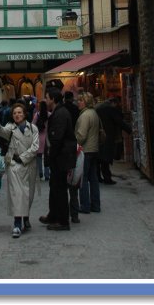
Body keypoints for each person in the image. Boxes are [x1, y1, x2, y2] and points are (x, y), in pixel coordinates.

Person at [0, 101, 39, 238]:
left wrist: (23, 157)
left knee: (28, 195)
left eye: (19, 112)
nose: (17, 115)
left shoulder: (33, 128)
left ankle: (26, 217)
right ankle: (17, 224)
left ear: (25, 114)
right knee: (17, 195)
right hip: (14, 165)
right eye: (14, 113)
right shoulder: (10, 128)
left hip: (29, 165)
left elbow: (35, 147)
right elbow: (2, 131)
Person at [38, 87, 77, 231]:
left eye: (47, 97)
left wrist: (51, 155)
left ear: (53, 99)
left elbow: (57, 138)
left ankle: (62, 221)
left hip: (61, 158)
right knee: (54, 187)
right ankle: (53, 215)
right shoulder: (58, 111)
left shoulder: (61, 113)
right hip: (58, 157)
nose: (45, 100)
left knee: (59, 189)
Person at [96, 96, 132, 184]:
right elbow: (119, 121)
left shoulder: (98, 108)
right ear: (114, 103)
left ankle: (98, 177)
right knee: (106, 159)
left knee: (98, 158)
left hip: (98, 136)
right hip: (107, 136)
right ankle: (107, 178)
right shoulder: (110, 109)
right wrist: (130, 130)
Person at [75, 92, 101, 214]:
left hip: (86, 150)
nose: (78, 103)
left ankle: (85, 205)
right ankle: (96, 204)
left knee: (83, 178)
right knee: (93, 178)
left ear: (86, 102)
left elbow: (81, 135)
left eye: (80, 100)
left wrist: (74, 140)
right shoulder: (94, 113)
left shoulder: (85, 115)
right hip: (94, 149)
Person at [62, 90, 80, 222]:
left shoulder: (62, 111)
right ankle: (74, 215)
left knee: (64, 186)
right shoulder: (76, 109)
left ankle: (65, 214)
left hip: (65, 150)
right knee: (74, 186)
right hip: (75, 147)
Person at [32, 100, 50, 181]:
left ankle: (40, 172)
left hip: (39, 137)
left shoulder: (37, 115)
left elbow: (32, 125)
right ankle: (47, 174)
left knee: (38, 156)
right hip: (47, 138)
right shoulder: (49, 114)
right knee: (47, 157)